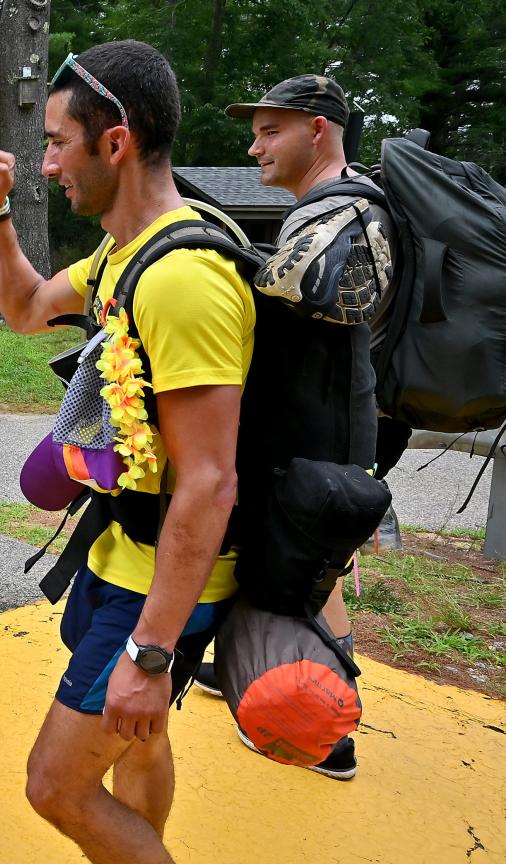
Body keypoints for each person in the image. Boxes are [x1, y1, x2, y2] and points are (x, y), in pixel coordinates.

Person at [0, 41, 250, 862]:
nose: (46, 162)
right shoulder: (124, 253)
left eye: (56, 142)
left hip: (159, 591)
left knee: (55, 786)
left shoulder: (182, 274)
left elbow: (209, 479)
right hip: (119, 555)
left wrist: (151, 652)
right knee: (142, 743)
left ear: (115, 142)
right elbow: (21, 307)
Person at [192, 74, 402, 781]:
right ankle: (260, 664)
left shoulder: (352, 211)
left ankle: (331, 731)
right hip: (301, 432)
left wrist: (211, 261)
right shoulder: (319, 209)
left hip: (324, 440)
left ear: (318, 129)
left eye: (270, 130)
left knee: (315, 578)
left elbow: (299, 296)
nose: (254, 146)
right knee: (285, 567)